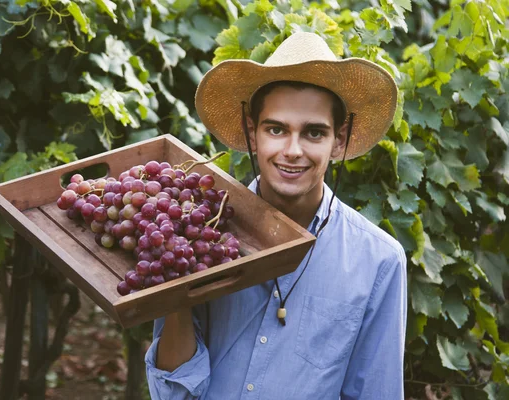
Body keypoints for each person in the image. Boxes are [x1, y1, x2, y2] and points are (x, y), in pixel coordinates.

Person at [144, 32, 407, 399]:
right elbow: (173, 393)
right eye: (276, 129)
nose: (293, 150)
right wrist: (177, 294)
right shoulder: (201, 235)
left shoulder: (378, 261)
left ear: (340, 140)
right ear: (253, 135)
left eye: (314, 132)